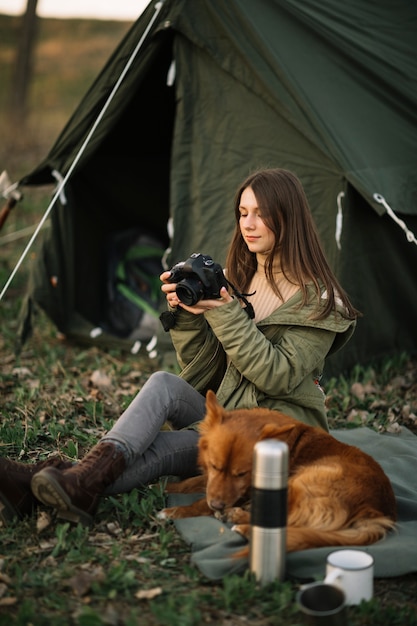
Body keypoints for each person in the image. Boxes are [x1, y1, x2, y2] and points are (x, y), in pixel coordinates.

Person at [0, 168, 359, 527]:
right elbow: (202, 365)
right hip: (226, 412)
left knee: (156, 449)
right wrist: (185, 315)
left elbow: (276, 376)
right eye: (243, 212)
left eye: (261, 214)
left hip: (269, 433)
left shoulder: (320, 301)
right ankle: (72, 485)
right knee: (162, 382)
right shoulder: (243, 278)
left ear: (288, 216)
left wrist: (226, 314)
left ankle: (43, 484)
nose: (249, 224)